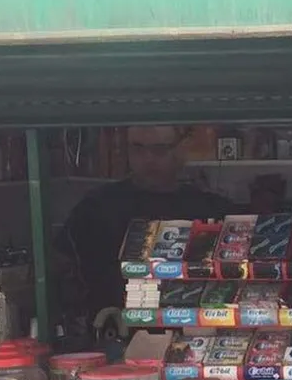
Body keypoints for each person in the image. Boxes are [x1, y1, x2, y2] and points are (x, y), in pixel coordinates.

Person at [56, 125, 231, 322]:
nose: (148, 159)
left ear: (182, 149)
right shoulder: (97, 207)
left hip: (196, 326)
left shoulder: (209, 209)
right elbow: (59, 267)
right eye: (138, 148)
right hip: (112, 326)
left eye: (159, 149)